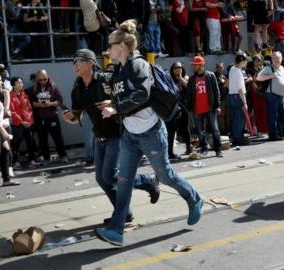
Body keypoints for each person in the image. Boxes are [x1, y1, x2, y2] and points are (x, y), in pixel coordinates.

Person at [95, 20, 203, 246]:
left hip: (151, 133)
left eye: (110, 45)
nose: (107, 50)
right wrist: (112, 98)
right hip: (129, 136)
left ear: (122, 46)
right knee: (123, 181)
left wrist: (115, 107)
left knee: (165, 176)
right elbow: (125, 98)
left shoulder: (139, 65)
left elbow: (142, 95)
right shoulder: (118, 70)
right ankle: (115, 230)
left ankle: (195, 199)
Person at [62, 49, 160, 225]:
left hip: (118, 135)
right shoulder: (77, 88)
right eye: (73, 62)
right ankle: (125, 214)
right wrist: (71, 118)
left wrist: (113, 101)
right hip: (100, 137)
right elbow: (77, 116)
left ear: (90, 63)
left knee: (110, 176)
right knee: (102, 179)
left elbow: (126, 98)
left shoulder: (105, 80)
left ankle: (147, 181)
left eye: (78, 61)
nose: (74, 65)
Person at [27, 69, 69, 165]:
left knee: (57, 138)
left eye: (44, 79)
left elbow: (60, 100)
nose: (42, 82)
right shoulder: (33, 88)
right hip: (39, 117)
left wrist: (50, 103)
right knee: (42, 139)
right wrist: (39, 104)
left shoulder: (53, 86)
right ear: (37, 79)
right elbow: (30, 102)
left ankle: (63, 155)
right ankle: (46, 158)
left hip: (52, 116)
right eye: (40, 80)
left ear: (48, 77)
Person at [187, 55, 224, 157]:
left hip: (210, 108)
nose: (193, 66)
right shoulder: (191, 79)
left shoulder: (210, 76)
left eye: (195, 64)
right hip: (197, 109)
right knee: (200, 131)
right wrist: (190, 109)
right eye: (193, 65)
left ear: (201, 65)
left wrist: (218, 105)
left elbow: (217, 92)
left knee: (215, 130)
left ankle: (218, 150)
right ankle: (204, 148)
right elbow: (189, 95)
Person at [257, 51, 284, 141]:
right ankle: (273, 135)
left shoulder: (282, 68)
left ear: (281, 59)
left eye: (278, 58)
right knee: (272, 116)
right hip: (272, 96)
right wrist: (271, 75)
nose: (276, 60)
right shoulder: (268, 68)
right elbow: (258, 77)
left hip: (282, 96)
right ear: (271, 59)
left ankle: (279, 133)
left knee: (281, 116)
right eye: (274, 58)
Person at [9, 76, 38, 168]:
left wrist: (29, 121)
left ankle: (32, 160)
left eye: (21, 82)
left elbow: (29, 108)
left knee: (30, 141)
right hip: (17, 124)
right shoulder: (10, 96)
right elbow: (12, 111)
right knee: (16, 143)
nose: (21, 84)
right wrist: (22, 122)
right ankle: (15, 161)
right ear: (13, 84)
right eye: (18, 83)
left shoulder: (24, 94)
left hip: (27, 123)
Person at [166, 62, 192, 158]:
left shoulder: (185, 78)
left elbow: (189, 87)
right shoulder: (169, 80)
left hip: (184, 108)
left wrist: (180, 78)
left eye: (180, 67)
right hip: (173, 109)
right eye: (176, 68)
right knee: (171, 130)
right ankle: (170, 152)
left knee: (185, 129)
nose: (178, 69)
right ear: (172, 70)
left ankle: (189, 147)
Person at [227, 53, 249, 146]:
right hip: (238, 96)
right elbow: (240, 89)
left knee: (234, 118)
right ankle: (238, 139)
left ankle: (236, 137)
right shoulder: (238, 72)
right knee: (239, 119)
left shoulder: (232, 69)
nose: (247, 62)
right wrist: (245, 103)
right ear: (242, 61)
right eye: (245, 61)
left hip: (232, 95)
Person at [246, 54, 268, 136]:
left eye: (259, 60)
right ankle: (254, 128)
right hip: (252, 92)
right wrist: (254, 86)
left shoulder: (262, 69)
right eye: (255, 60)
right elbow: (251, 81)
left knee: (262, 110)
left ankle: (263, 129)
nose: (257, 62)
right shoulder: (249, 70)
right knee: (253, 111)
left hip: (261, 92)